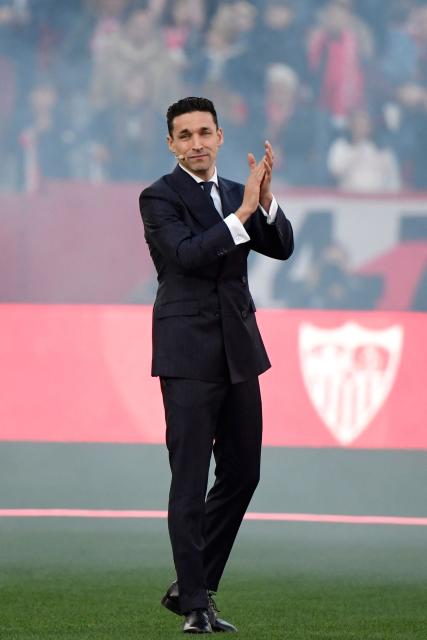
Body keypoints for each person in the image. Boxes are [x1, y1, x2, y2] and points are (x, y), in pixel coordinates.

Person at [138, 96, 294, 634]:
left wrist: (266, 203)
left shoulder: (238, 192)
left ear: (221, 136)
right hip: (186, 352)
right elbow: (186, 254)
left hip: (239, 350)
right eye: (185, 135)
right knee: (187, 481)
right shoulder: (158, 197)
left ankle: (191, 583)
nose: (196, 143)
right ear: (171, 145)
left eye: (205, 132)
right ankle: (198, 604)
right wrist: (245, 212)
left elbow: (282, 248)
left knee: (243, 474)